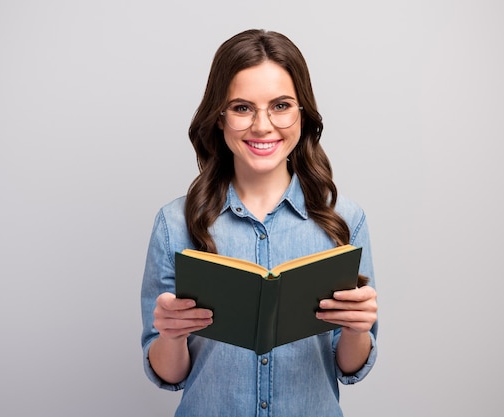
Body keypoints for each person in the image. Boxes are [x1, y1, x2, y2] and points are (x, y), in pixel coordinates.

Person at [140, 29, 378, 417]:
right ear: (219, 118)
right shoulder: (174, 224)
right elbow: (170, 374)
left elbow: (348, 367)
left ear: (303, 113)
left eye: (281, 105)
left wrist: (357, 330)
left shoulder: (345, 221)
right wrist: (170, 334)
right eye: (242, 107)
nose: (263, 126)